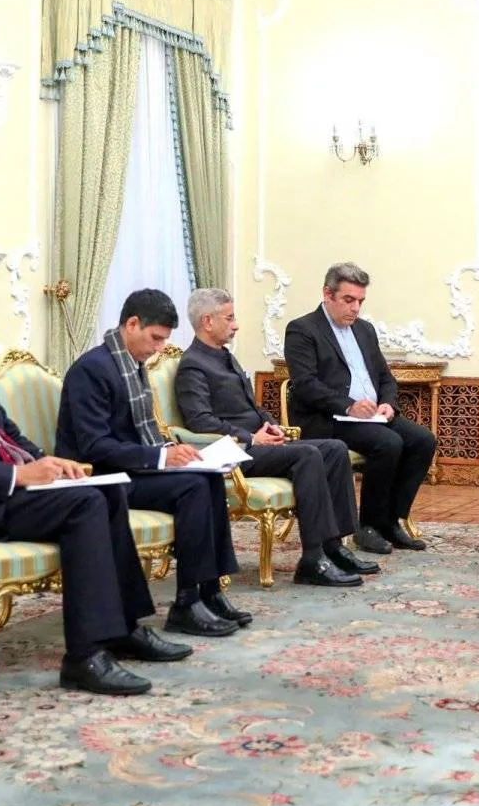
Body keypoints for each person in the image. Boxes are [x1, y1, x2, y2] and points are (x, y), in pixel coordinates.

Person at [0, 280, 187, 697]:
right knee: (85, 504)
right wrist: (18, 476)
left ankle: (124, 628)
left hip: (1, 494)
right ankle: (84, 656)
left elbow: (7, 433)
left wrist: (47, 461)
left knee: (107, 491)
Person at [55, 289, 249, 637]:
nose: (160, 348)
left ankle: (210, 591)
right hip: (102, 477)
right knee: (192, 486)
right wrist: (159, 456)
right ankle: (187, 603)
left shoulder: (129, 364)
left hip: (131, 468)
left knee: (207, 478)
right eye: (156, 338)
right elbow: (94, 446)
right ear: (132, 324)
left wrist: (172, 450)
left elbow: (139, 432)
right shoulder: (92, 369)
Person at [175, 288, 376, 588]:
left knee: (335, 449)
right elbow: (200, 421)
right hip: (235, 451)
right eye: (229, 318)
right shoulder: (193, 364)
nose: (236, 325)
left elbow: (251, 407)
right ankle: (312, 559)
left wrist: (271, 424)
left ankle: (334, 546)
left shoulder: (225, 356)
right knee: (308, 454)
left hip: (259, 443)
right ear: (207, 321)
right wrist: (250, 437)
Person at [283, 263, 436, 555]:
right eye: (348, 300)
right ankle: (367, 527)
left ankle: (390, 521)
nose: (355, 308)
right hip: (329, 418)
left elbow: (385, 377)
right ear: (327, 294)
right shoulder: (302, 330)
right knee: (388, 443)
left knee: (423, 440)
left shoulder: (365, 330)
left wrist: (388, 403)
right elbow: (306, 385)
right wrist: (348, 406)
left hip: (372, 416)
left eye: (360, 301)